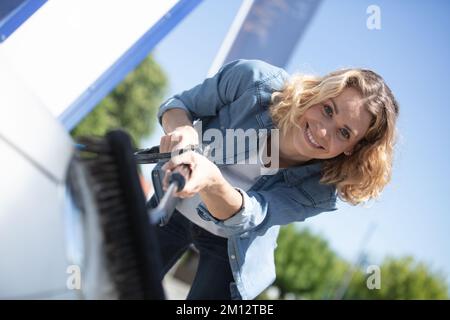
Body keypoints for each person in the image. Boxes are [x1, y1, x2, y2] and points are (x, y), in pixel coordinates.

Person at [149, 59, 399, 300]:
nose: (323, 131)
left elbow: (246, 216)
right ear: (318, 93)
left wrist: (211, 181)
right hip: (171, 205)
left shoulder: (320, 191)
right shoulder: (254, 80)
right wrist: (183, 130)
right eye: (327, 109)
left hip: (233, 248)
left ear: (352, 149)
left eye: (344, 132)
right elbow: (178, 105)